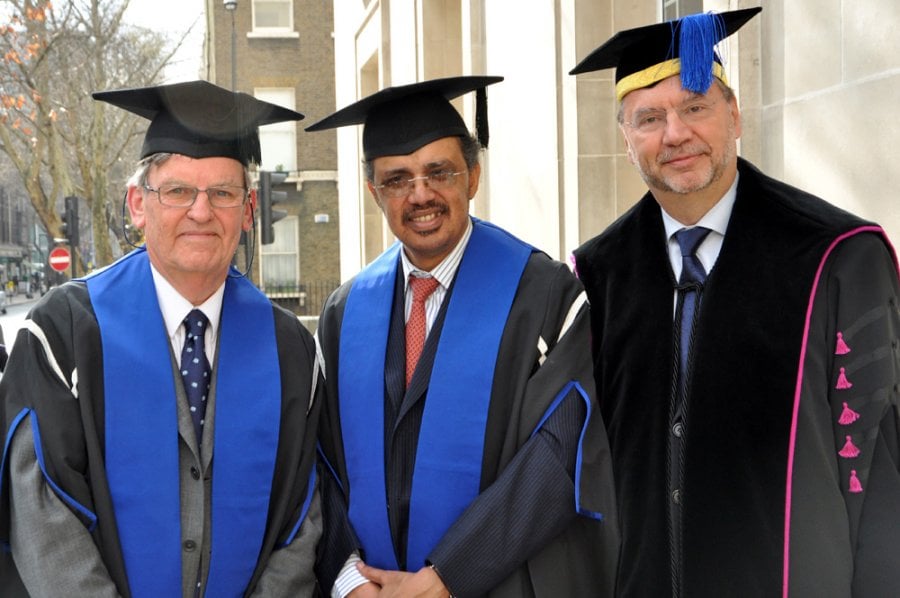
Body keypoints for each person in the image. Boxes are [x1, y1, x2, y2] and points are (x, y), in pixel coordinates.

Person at [570, 8, 900, 597]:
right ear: (626, 141)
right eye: (649, 118)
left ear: (735, 115)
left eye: (695, 107)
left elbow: (879, 468)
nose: (675, 134)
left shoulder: (837, 257)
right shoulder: (598, 273)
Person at [0, 80, 322, 597]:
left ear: (248, 212)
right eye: (177, 191)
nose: (201, 211)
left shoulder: (290, 350)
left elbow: (301, 520)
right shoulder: (66, 332)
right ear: (137, 204)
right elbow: (40, 510)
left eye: (223, 193)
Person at [305, 76, 619, 597]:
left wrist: (449, 576)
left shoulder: (542, 294)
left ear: (472, 176)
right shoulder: (344, 312)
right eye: (397, 179)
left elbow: (561, 450)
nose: (421, 194)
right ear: (374, 193)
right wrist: (349, 579)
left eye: (439, 172)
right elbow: (320, 462)